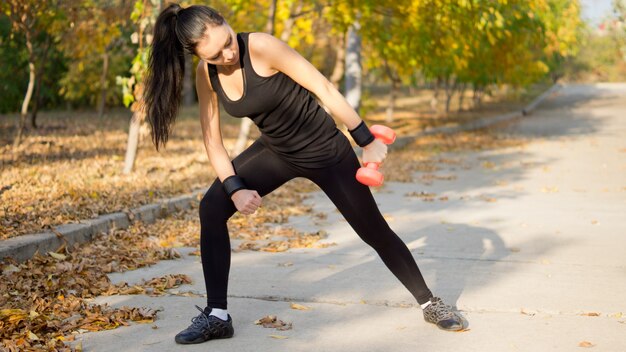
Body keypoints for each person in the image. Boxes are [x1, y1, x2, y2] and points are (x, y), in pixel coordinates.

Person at [143, 3, 464, 345]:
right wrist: (234, 188)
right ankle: (217, 315)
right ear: (197, 55)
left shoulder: (261, 46)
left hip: (325, 150)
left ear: (225, 22)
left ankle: (431, 302)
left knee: (374, 230)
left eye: (226, 42)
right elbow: (212, 140)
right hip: (277, 152)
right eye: (216, 54)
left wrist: (365, 139)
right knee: (211, 206)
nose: (228, 53)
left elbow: (323, 87)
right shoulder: (207, 74)